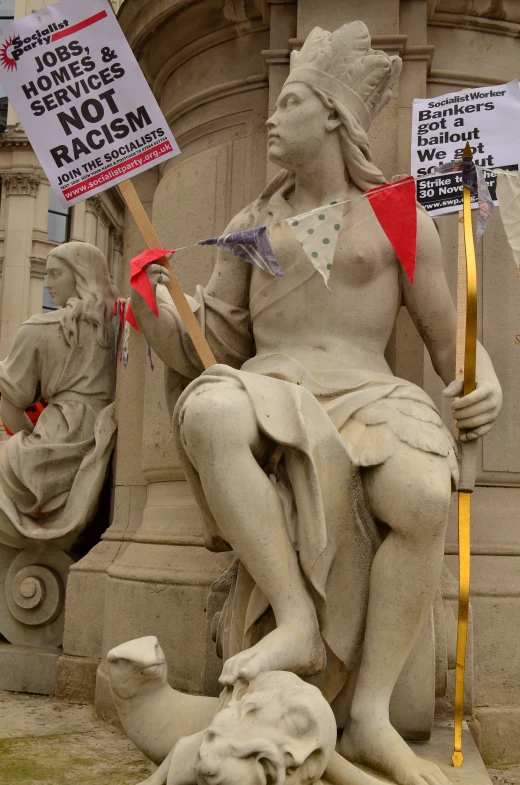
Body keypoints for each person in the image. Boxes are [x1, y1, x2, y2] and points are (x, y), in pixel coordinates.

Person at [131, 22, 502, 785]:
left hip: (374, 392)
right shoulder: (250, 227)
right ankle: (297, 619)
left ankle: (368, 715)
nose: (273, 115)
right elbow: (215, 348)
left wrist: (483, 378)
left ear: (333, 115)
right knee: (210, 409)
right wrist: (157, 311)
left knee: (425, 492)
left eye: (291, 100)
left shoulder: (401, 216)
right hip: (271, 386)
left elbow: (450, 345)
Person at [0, 241, 118, 554]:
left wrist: (25, 442)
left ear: (79, 275)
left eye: (54, 274)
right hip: (108, 435)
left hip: (56, 439)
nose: (47, 283)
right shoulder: (123, 322)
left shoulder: (40, 329)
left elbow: (10, 407)